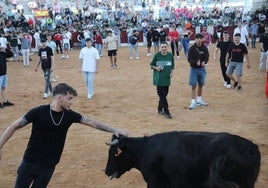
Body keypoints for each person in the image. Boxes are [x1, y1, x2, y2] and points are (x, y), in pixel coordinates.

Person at [0, 83, 128, 187]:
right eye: (69, 99)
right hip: (29, 163)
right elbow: (13, 126)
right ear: (59, 98)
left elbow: (93, 123)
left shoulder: (70, 115)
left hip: (49, 166)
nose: (71, 103)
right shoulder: (38, 112)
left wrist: (114, 130)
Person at [150, 41, 174, 119]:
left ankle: (160, 108)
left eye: (165, 47)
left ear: (167, 47)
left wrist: (171, 73)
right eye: (162, 47)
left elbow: (172, 66)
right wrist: (156, 68)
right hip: (159, 79)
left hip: (166, 79)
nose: (163, 48)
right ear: (160, 48)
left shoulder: (170, 55)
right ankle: (166, 111)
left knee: (164, 95)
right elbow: (151, 64)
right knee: (162, 95)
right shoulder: (157, 55)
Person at [187, 33, 209, 110]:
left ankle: (199, 100)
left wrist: (204, 62)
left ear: (202, 39)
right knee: (193, 85)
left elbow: (207, 57)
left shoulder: (205, 48)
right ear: (195, 39)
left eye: (200, 38)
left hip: (202, 69)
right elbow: (189, 59)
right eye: (197, 38)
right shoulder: (192, 48)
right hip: (194, 69)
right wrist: (195, 62)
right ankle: (193, 101)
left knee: (201, 84)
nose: (199, 40)